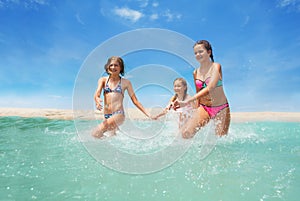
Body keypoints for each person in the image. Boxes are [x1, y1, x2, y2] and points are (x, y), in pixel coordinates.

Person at [174, 40, 231, 138]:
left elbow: (211, 87)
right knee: (186, 134)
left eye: (200, 51)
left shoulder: (216, 67)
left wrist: (188, 100)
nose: (197, 55)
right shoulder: (195, 72)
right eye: (195, 53)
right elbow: (198, 93)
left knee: (220, 139)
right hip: (205, 107)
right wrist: (186, 106)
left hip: (221, 108)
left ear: (209, 52)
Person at [92, 56, 151, 138]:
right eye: (111, 65)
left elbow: (135, 101)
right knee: (112, 138)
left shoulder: (126, 82)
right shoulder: (103, 80)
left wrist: (148, 114)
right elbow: (97, 93)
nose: (113, 67)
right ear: (108, 67)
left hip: (118, 114)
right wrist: (97, 99)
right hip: (107, 115)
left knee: (95, 133)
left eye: (116, 65)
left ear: (121, 68)